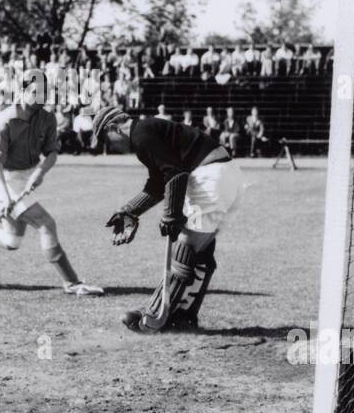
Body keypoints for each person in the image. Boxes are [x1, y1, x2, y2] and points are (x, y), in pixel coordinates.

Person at [0, 70, 104, 297]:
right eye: (36, 92)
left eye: (45, 92)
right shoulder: (3, 122)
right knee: (46, 223)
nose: (41, 96)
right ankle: (72, 283)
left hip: (26, 176)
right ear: (22, 91)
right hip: (4, 179)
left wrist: (40, 173)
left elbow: (52, 153)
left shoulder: (47, 118)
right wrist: (6, 199)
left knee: (12, 241)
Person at [94, 105, 244, 333]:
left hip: (209, 177)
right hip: (225, 174)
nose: (110, 147)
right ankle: (183, 317)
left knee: (186, 246)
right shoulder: (145, 133)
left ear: (114, 127)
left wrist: (171, 216)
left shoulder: (141, 134)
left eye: (106, 139)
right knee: (200, 251)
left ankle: (153, 317)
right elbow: (158, 183)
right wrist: (129, 211)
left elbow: (175, 173)